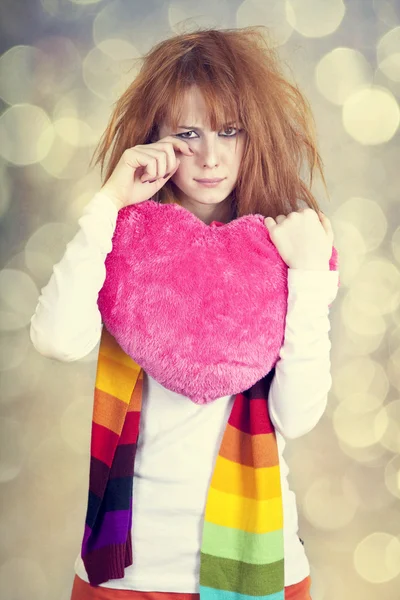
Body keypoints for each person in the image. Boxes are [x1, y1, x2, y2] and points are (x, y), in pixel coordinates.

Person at [30, 26, 339, 600]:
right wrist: (109, 202)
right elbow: (56, 338)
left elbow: (295, 416)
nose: (211, 157)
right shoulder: (126, 241)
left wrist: (310, 275)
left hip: (260, 562)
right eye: (187, 133)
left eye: (229, 131)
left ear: (256, 135)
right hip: (128, 568)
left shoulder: (291, 247)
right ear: (159, 139)